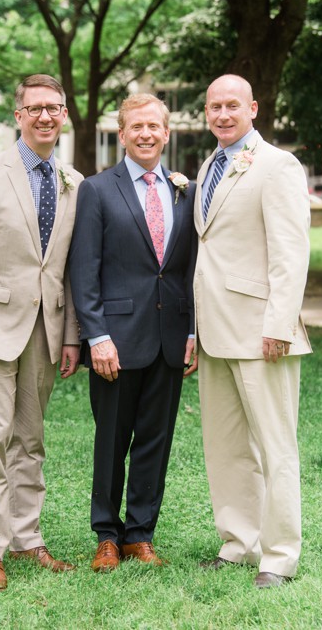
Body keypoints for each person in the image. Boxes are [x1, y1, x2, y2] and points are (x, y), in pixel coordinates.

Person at [0, 74, 82, 590]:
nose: (45, 116)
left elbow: (69, 268)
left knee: (31, 441)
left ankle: (28, 539)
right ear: (18, 115)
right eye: (36, 108)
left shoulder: (74, 181)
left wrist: (71, 335)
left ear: (64, 114)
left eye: (54, 107)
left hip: (45, 331)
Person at [69, 93, 197, 572]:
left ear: (167, 133)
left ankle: (139, 533)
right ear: (121, 135)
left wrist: (192, 332)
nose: (146, 134)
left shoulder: (186, 189)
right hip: (116, 342)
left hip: (170, 336)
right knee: (112, 439)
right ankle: (106, 533)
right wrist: (95, 336)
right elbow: (85, 269)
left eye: (154, 126)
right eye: (136, 126)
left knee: (155, 440)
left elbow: (188, 270)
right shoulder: (99, 190)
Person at [193, 74, 312, 589]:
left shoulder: (277, 165)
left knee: (274, 446)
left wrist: (279, 324)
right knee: (225, 446)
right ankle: (238, 542)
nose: (223, 114)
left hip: (262, 330)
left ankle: (279, 556)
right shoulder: (207, 166)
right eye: (215, 106)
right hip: (214, 328)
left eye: (232, 106)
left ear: (253, 109)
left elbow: (291, 251)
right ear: (205, 112)